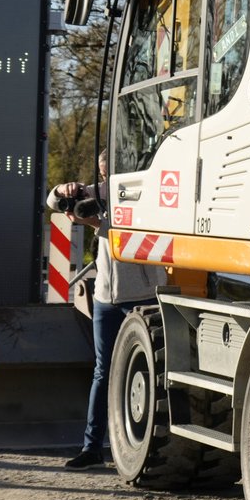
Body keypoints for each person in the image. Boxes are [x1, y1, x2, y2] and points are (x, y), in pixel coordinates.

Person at [53, 151, 167, 470]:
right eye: (101, 175)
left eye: (107, 174)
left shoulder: (149, 190)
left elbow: (132, 236)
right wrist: (65, 190)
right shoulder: (101, 190)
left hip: (142, 295)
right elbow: (52, 202)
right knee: (103, 372)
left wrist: (96, 224)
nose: (103, 180)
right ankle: (92, 447)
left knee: (143, 373)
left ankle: (142, 446)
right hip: (106, 295)